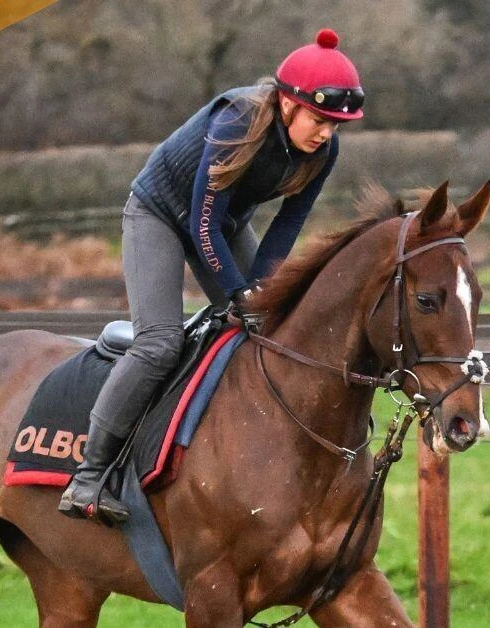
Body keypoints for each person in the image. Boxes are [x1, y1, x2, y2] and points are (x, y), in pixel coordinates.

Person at [58, 28, 365, 524]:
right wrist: (237, 292)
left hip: (222, 225)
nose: (326, 133)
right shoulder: (237, 121)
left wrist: (260, 294)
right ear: (287, 104)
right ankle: (89, 476)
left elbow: (285, 229)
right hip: (159, 215)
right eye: (320, 119)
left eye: (337, 124)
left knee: (269, 326)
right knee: (159, 344)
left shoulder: (323, 154)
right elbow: (200, 224)